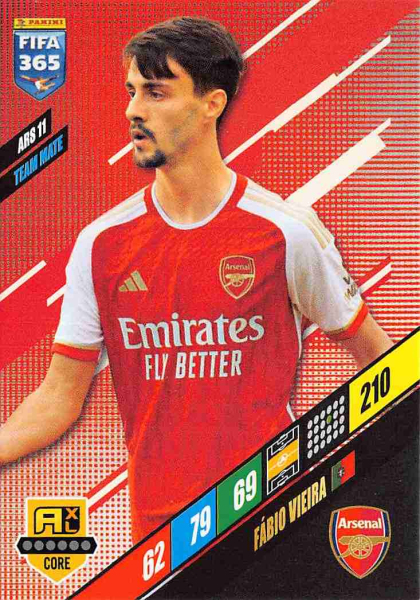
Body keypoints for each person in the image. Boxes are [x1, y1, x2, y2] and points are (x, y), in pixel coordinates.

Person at [0, 16, 392, 543]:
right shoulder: (101, 244)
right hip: (157, 540)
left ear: (212, 103)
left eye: (156, 92)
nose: (133, 110)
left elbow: (380, 362)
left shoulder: (286, 231)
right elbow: (57, 397)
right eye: (133, 92)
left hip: (272, 519)